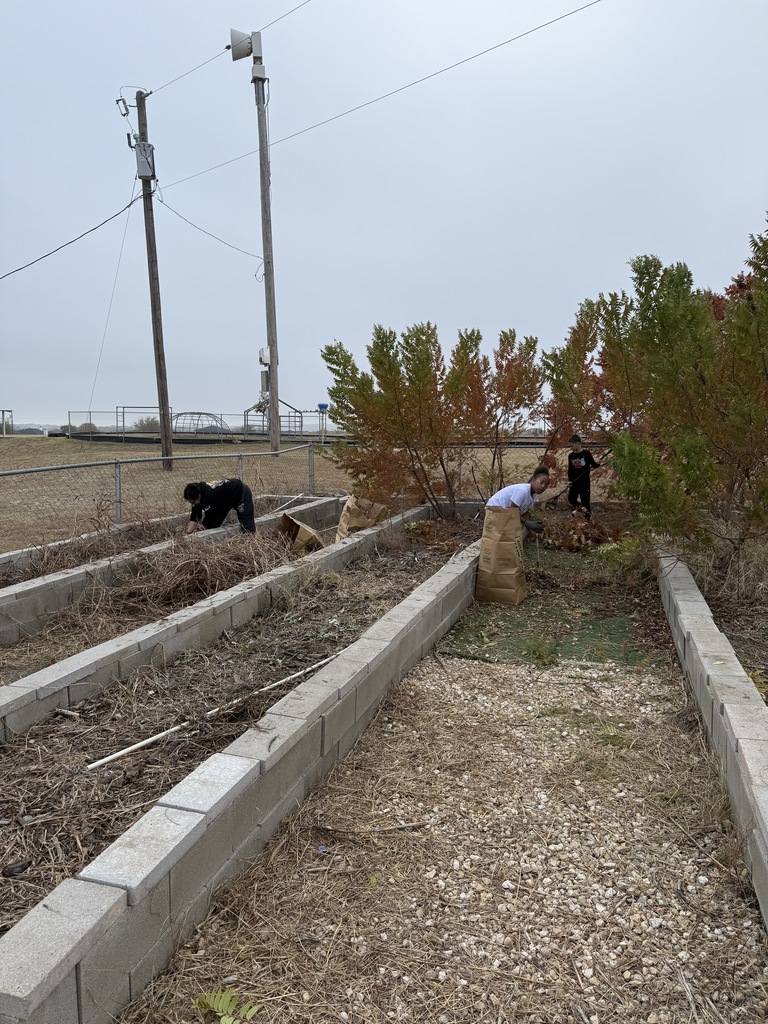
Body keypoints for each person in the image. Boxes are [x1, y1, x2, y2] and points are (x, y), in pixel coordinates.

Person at [487, 466, 550, 538]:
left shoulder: (533, 495)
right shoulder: (523, 491)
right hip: (494, 509)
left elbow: (524, 512)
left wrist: (532, 531)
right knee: (504, 536)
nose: (543, 487)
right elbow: (512, 510)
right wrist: (526, 523)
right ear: (533, 481)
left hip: (504, 512)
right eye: (541, 482)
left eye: (546, 485)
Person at [183, 479, 256, 534]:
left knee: (246, 521)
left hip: (240, 491)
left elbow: (210, 517)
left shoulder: (209, 496)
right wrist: (188, 533)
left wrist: (204, 527)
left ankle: (252, 540)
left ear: (198, 496)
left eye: (193, 502)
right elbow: (194, 516)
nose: (193, 504)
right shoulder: (198, 493)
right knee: (214, 523)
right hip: (225, 499)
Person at [566, 435, 601, 519]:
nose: (570, 448)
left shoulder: (586, 453)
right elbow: (570, 470)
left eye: (572, 446)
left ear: (578, 443)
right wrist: (570, 480)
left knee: (585, 501)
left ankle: (588, 517)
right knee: (571, 498)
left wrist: (598, 463)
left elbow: (593, 465)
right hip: (574, 482)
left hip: (584, 482)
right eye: (569, 446)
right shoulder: (571, 456)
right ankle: (581, 510)